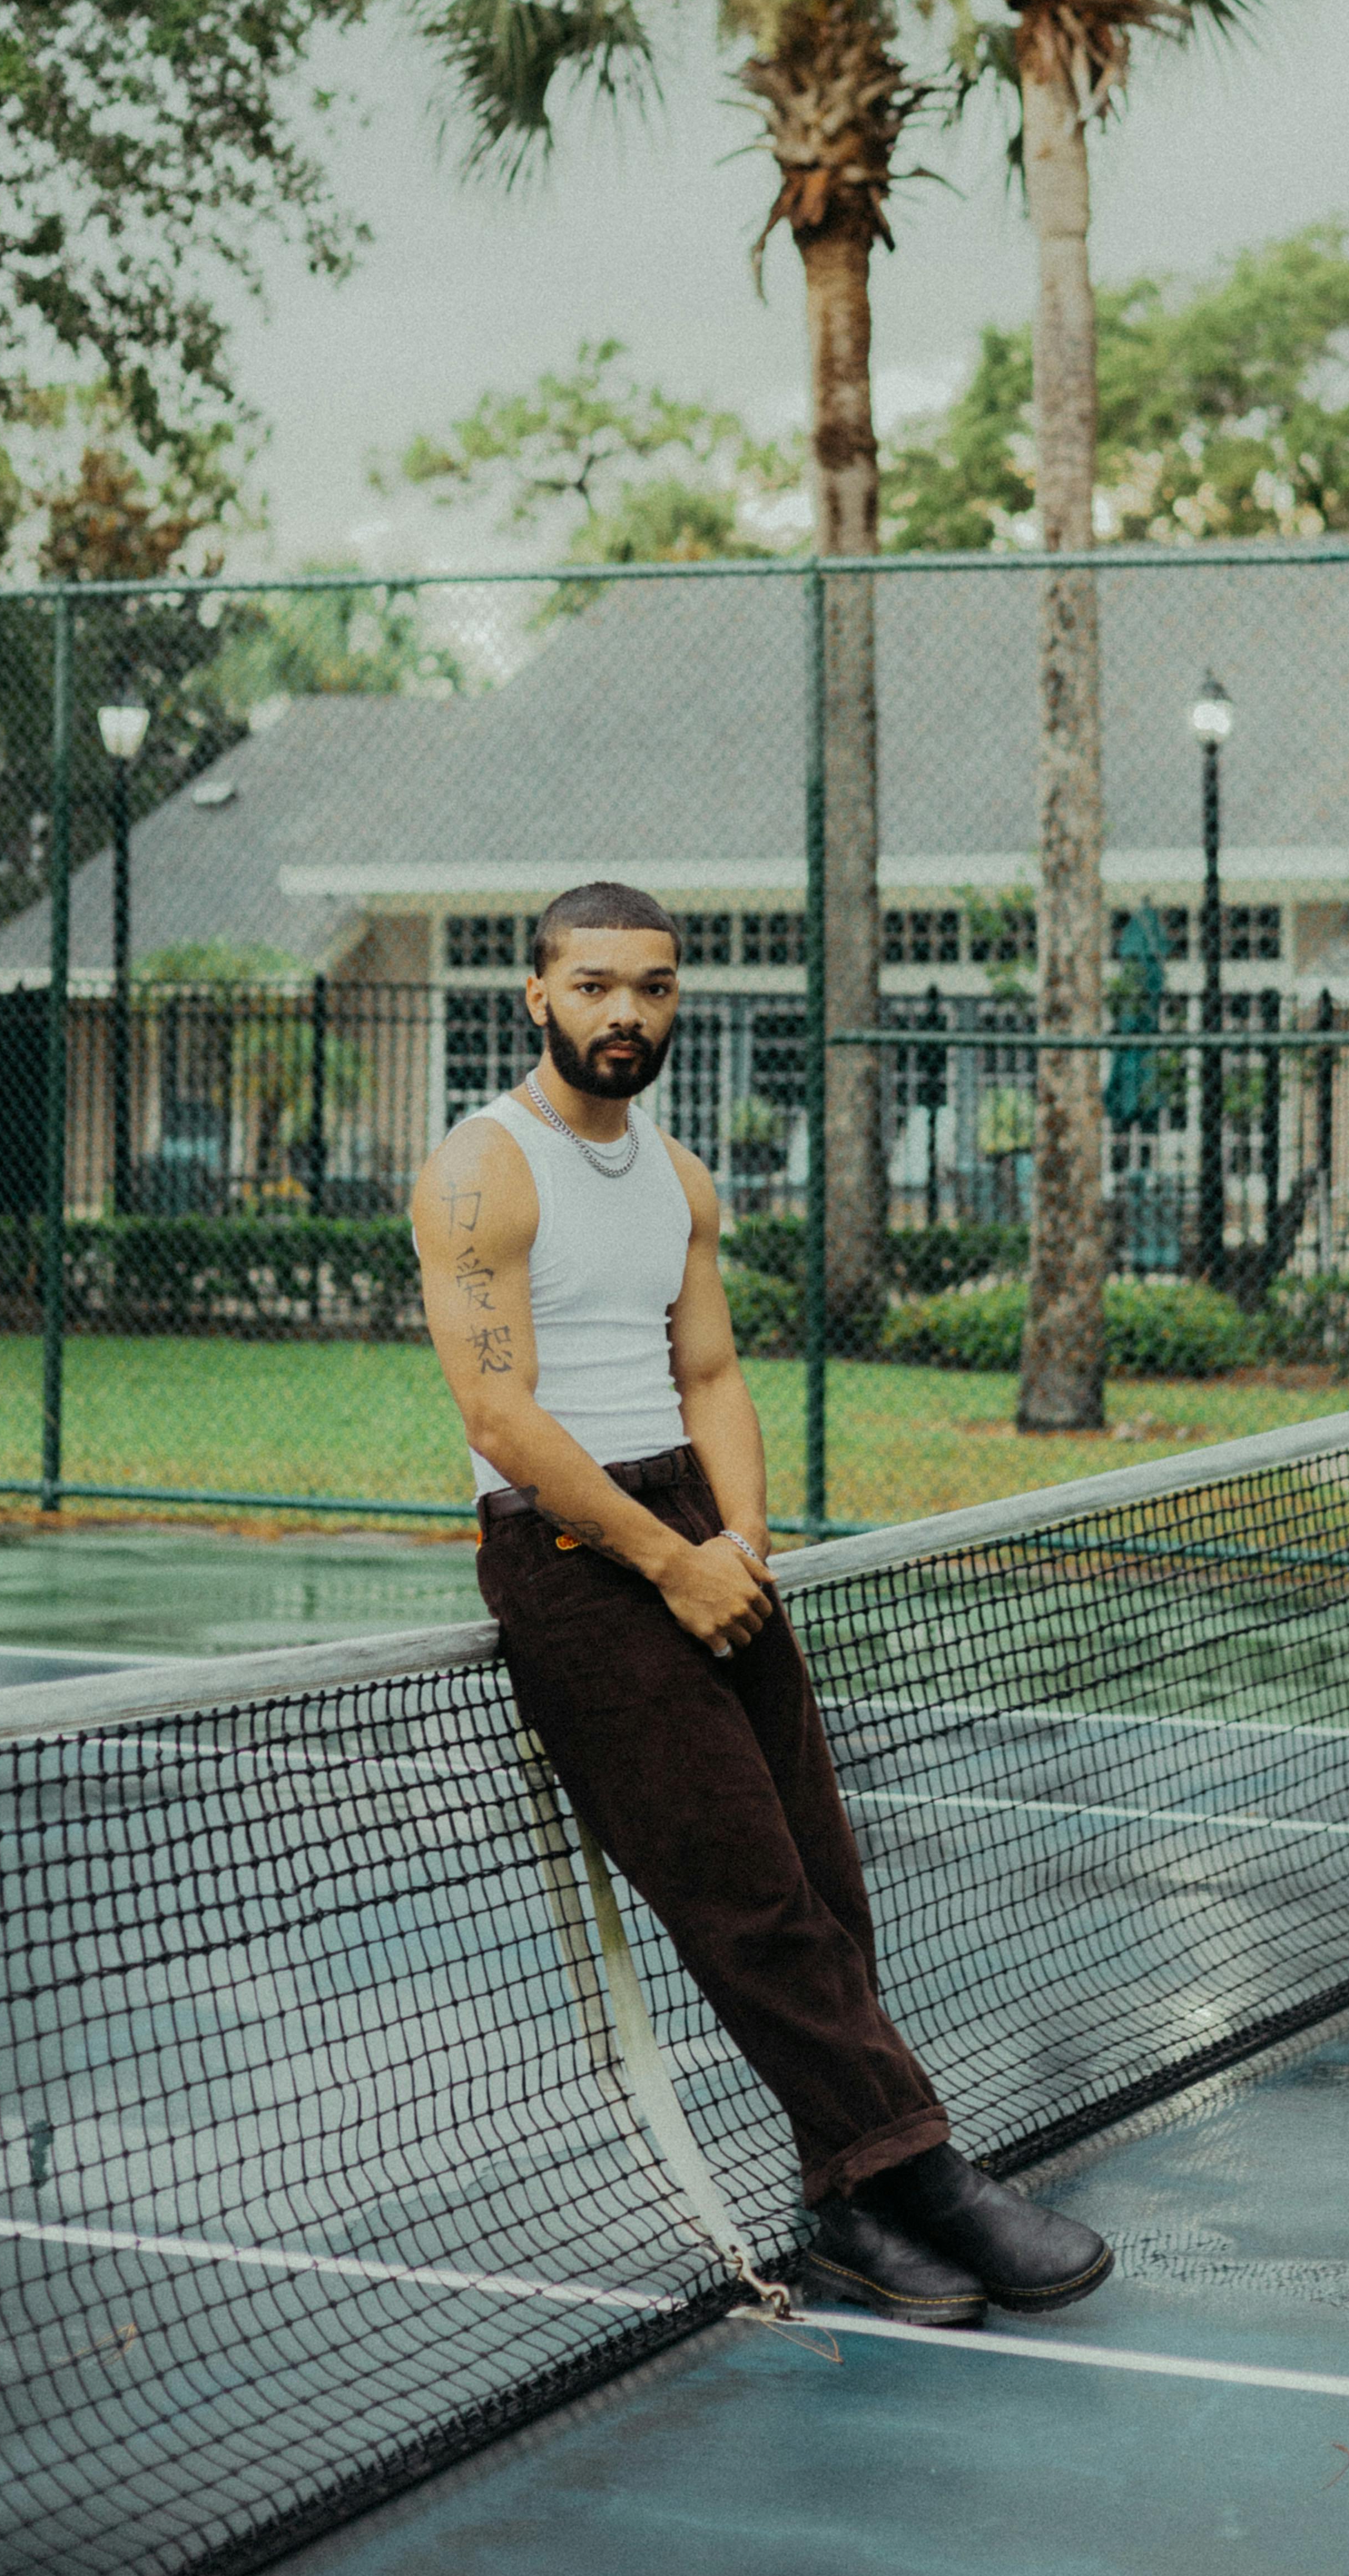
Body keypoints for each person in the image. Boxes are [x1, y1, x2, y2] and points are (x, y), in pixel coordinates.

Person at [411, 877, 1112, 2328]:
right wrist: (664, 1562)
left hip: (691, 1521)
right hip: (569, 1548)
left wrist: (736, 1534)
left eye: (654, 986)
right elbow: (497, 1409)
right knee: (746, 1896)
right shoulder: (482, 1168)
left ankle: (851, 2205)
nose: (626, 1011)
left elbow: (713, 1372)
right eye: (595, 984)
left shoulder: (676, 1175)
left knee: (820, 1878)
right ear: (534, 993)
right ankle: (926, 2173)